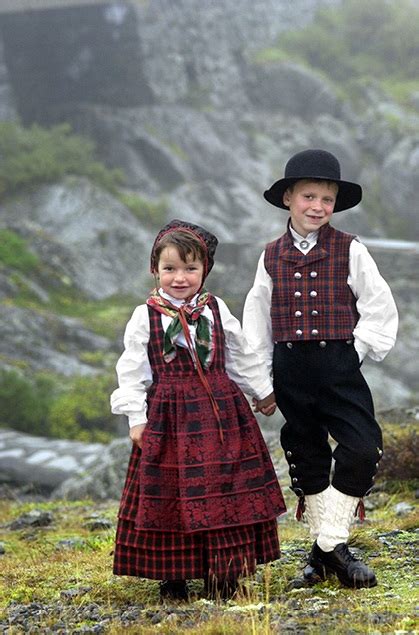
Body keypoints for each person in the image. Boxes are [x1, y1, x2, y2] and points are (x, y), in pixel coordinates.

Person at [243, 149, 398, 589]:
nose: (317, 207)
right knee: (306, 455)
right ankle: (333, 557)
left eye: (326, 199)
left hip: (338, 363)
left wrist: (356, 353)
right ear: (289, 198)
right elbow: (255, 320)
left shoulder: (350, 249)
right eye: (308, 196)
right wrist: (259, 382)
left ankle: (324, 548)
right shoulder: (270, 256)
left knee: (363, 447)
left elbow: (379, 307)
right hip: (289, 366)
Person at [110, 218, 286, 602]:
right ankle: (172, 575)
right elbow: (132, 369)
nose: (180, 278)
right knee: (170, 494)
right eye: (170, 268)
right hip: (169, 417)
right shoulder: (147, 315)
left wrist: (263, 392)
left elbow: (240, 355)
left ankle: (224, 574)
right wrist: (136, 418)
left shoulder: (216, 309)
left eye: (190, 268)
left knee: (226, 490)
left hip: (222, 413)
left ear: (204, 270)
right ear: (154, 269)